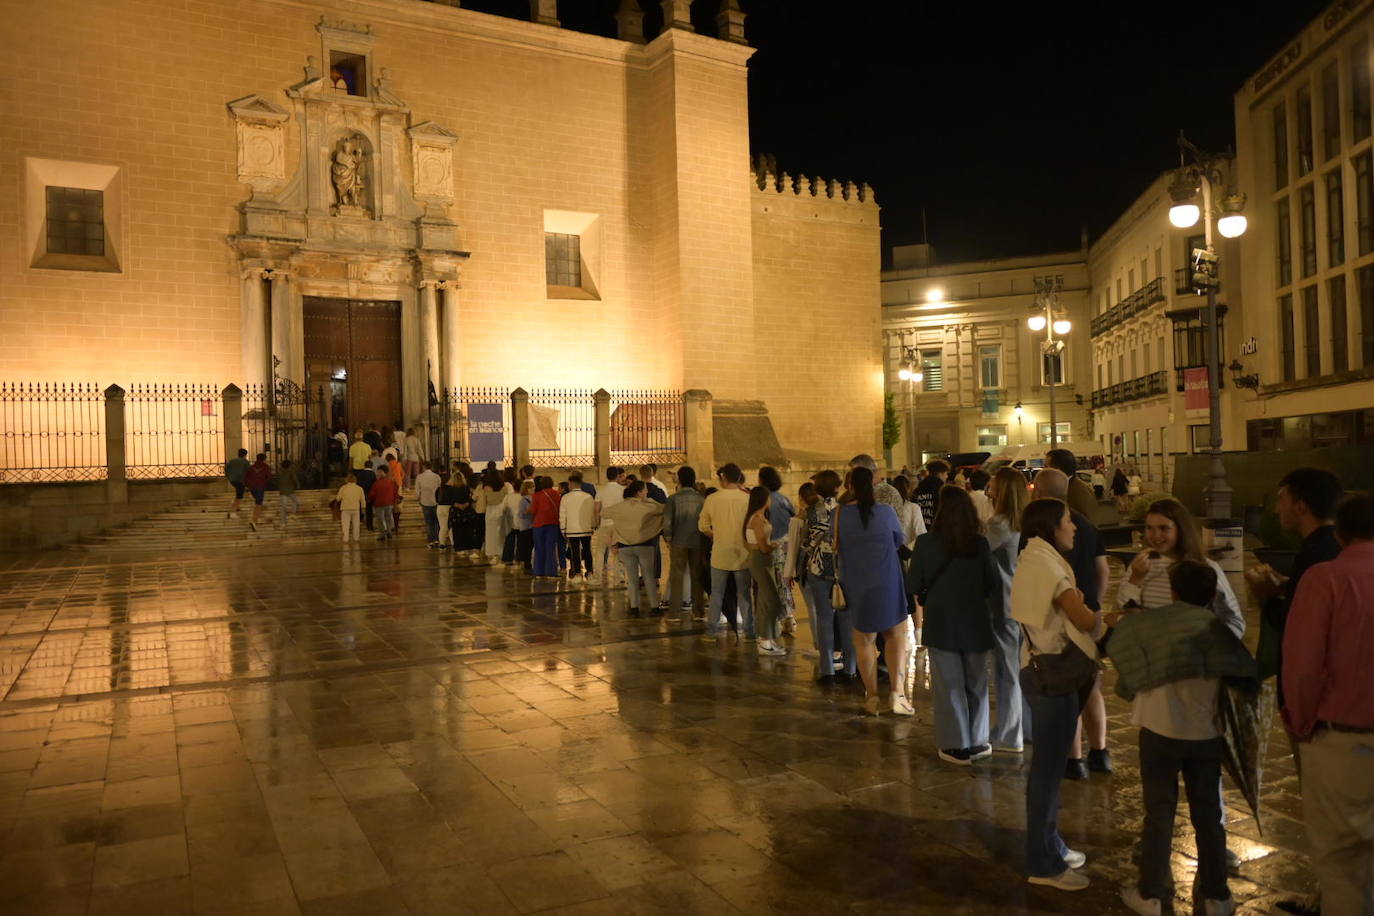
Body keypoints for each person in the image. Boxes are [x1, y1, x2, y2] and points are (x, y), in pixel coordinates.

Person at [1108, 560, 1254, 916]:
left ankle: (1152, 895)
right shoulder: (1220, 632)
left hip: (1158, 730)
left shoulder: (1150, 625)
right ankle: (1218, 895)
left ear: (1172, 591)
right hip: (1205, 734)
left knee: (1158, 814)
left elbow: (1121, 655)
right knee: (1208, 816)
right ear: (1211, 595)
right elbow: (1244, 681)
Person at [1279, 493, 1374, 916]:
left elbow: (1301, 666)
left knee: (1340, 864)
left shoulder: (1326, 579)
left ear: (1340, 533)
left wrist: (1300, 723)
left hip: (1342, 743)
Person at [1011, 497, 1102, 892]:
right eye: (1068, 521)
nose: (1075, 528)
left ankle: (1051, 844)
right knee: (1047, 773)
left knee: (1045, 770)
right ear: (1052, 526)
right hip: (1052, 675)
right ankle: (1043, 862)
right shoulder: (1050, 567)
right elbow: (1086, 621)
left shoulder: (1034, 557)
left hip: (1036, 669)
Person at [909, 485, 998, 763]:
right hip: (975, 621)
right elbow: (991, 584)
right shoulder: (980, 544)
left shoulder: (925, 544)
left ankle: (955, 745)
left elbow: (913, 584)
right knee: (976, 683)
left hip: (941, 621)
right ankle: (978, 740)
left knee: (949, 685)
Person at [1034, 468, 1112, 778]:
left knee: (1066, 687)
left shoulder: (1040, 529)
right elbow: (1102, 569)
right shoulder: (1088, 526)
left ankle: (1073, 759)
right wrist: (1094, 604)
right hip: (1087, 614)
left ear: (1038, 492)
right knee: (1091, 685)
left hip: (1058, 618)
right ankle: (1100, 751)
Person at [1249, 467, 1343, 710]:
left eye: (1281, 499)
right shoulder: (1337, 544)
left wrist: (1266, 596)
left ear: (1301, 507)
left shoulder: (1313, 554)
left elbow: (1295, 622)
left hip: (1317, 695)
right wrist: (1287, 585)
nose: (1276, 509)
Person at [835, 466, 915, 717]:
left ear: (848, 486)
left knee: (863, 640)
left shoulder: (839, 515)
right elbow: (897, 540)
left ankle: (871, 697)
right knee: (895, 635)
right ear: (873, 485)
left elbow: (835, 544)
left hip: (856, 582)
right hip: (887, 579)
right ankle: (897, 693)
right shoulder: (886, 511)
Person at [985, 466, 1030, 753]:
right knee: (1019, 667)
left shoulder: (998, 525)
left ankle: (1009, 733)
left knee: (1006, 669)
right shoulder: (1024, 522)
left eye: (992, 485)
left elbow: (976, 553)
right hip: (1023, 601)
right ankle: (1024, 726)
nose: (988, 489)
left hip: (1003, 602)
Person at [795, 470, 854, 680]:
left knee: (824, 619)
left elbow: (805, 543)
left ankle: (827, 669)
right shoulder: (846, 509)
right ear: (838, 487)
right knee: (847, 620)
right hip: (844, 568)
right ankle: (850, 668)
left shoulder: (810, 511)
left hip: (818, 569)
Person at [698, 463, 754, 640]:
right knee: (744, 594)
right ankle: (750, 631)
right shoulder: (747, 498)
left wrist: (714, 534)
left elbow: (702, 525)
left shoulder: (712, 499)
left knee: (717, 594)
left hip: (720, 553)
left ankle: (712, 631)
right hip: (743, 553)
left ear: (723, 478)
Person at [605, 480, 664, 613]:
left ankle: (634, 606)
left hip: (625, 545)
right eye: (645, 490)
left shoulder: (620, 506)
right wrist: (649, 501)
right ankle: (654, 606)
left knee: (631, 578)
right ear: (639, 492)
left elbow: (605, 513)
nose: (647, 492)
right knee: (648, 576)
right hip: (645, 545)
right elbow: (663, 509)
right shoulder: (648, 506)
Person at [745, 485, 787, 656]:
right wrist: (775, 545)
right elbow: (763, 547)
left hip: (764, 560)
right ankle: (764, 639)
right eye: (768, 498)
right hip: (761, 560)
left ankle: (767, 639)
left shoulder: (761, 517)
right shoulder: (756, 519)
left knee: (764, 601)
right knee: (772, 601)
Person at [758, 466, 797, 635]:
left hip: (772, 546)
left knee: (775, 584)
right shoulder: (785, 499)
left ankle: (783, 617)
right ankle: (789, 616)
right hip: (787, 546)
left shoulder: (765, 501)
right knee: (785, 583)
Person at [663, 466, 706, 617]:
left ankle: (674, 613)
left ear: (680, 479)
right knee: (697, 576)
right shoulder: (701, 499)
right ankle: (698, 612)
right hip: (697, 541)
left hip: (678, 542)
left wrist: (668, 538)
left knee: (677, 577)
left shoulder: (673, 499)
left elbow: (667, 522)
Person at [592, 467, 627, 584]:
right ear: (618, 476)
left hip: (605, 524)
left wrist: (597, 523)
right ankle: (620, 576)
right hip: (618, 525)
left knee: (600, 550)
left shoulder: (601, 490)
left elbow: (596, 509)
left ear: (606, 476)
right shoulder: (623, 490)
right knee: (618, 551)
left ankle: (597, 577)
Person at [560, 472, 596, 582]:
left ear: (571, 483)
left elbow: (562, 514)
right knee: (587, 550)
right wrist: (593, 526)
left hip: (571, 529)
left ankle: (577, 573)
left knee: (574, 551)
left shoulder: (566, 497)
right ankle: (589, 572)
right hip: (586, 528)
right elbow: (592, 513)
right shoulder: (588, 497)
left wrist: (563, 529)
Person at [526, 476, 562, 578]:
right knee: (550, 548)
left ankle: (538, 571)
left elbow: (533, 510)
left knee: (539, 548)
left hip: (538, 524)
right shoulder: (556, 494)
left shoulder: (536, 495)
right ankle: (551, 572)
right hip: (552, 523)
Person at [1046, 448, 1095, 520]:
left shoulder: (1078, 490)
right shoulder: (1065, 486)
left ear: (1058, 469)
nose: (1044, 471)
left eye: (1047, 467)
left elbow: (1082, 522)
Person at [479, 469, 511, 563]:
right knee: (501, 532)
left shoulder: (486, 487)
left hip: (490, 510)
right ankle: (501, 552)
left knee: (490, 532)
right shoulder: (504, 487)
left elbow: (484, 501)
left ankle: (492, 553)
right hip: (501, 509)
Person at [913, 459, 949, 529]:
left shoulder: (918, 489)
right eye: (946, 474)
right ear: (940, 474)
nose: (947, 476)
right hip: (937, 530)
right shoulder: (942, 490)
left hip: (921, 529)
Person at [416, 461, 442, 547]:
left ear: (423, 467)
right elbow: (439, 488)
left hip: (425, 501)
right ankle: (437, 539)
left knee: (428, 522)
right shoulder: (436, 476)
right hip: (435, 501)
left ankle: (430, 541)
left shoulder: (419, 477)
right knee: (436, 522)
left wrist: (418, 498)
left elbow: (417, 490)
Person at [368, 468, 399, 541]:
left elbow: (372, 494)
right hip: (389, 503)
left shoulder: (376, 484)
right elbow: (395, 492)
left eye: (377, 474)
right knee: (388, 518)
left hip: (379, 503)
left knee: (380, 519)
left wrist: (369, 499)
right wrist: (395, 502)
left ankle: (382, 533)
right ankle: (389, 532)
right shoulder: (390, 482)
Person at [244, 453, 272, 532]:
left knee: (258, 502)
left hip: (252, 487)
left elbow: (246, 477)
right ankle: (254, 520)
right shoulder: (266, 467)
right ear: (264, 459)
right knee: (259, 504)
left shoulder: (251, 467)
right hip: (260, 486)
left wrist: (247, 485)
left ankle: (255, 518)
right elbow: (269, 477)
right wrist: (264, 482)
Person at [336, 474, 365, 543]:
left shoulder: (343, 488)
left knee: (345, 525)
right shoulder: (359, 488)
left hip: (345, 509)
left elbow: (338, 499)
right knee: (356, 525)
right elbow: (363, 500)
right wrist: (363, 508)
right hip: (355, 508)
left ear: (346, 480)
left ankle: (345, 539)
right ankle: (356, 538)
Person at [224, 448, 250, 519]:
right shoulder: (245, 462)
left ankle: (236, 505)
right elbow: (249, 472)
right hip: (240, 480)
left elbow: (226, 468)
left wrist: (228, 476)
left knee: (239, 493)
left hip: (232, 480)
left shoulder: (232, 461)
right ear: (245, 455)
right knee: (239, 497)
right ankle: (233, 512)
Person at [277, 458, 299, 531]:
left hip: (282, 491)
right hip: (290, 490)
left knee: (283, 507)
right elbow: (295, 478)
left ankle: (283, 523)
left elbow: (278, 480)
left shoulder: (279, 471)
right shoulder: (290, 470)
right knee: (295, 501)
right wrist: (298, 485)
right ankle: (293, 514)